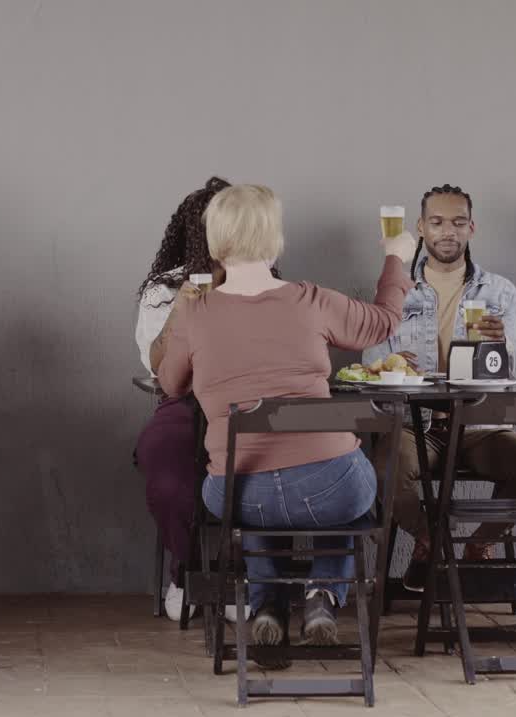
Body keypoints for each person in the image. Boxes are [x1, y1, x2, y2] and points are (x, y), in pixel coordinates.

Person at [157, 184, 416, 662]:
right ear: (274, 239)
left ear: (216, 241)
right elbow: (382, 323)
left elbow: (170, 384)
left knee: (252, 488)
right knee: (352, 481)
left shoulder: (195, 312)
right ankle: (321, 596)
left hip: (238, 494)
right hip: (329, 489)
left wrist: (181, 316)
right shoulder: (311, 300)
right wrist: (396, 258)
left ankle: (268, 604)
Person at [362, 184, 516, 590]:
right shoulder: (396, 289)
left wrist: (500, 348)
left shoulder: (499, 291)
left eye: (458, 223)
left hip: (479, 424)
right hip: (416, 425)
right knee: (384, 470)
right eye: (438, 222)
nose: (449, 232)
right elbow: (370, 362)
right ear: (421, 229)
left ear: (472, 228)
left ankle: (477, 548)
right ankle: (432, 543)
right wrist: (390, 367)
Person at [134, 176, 229, 622]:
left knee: (264, 471)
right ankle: (188, 572)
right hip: (185, 400)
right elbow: (158, 368)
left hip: (249, 404)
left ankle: (239, 577)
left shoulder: (263, 282)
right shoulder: (166, 288)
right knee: (169, 475)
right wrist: (183, 305)